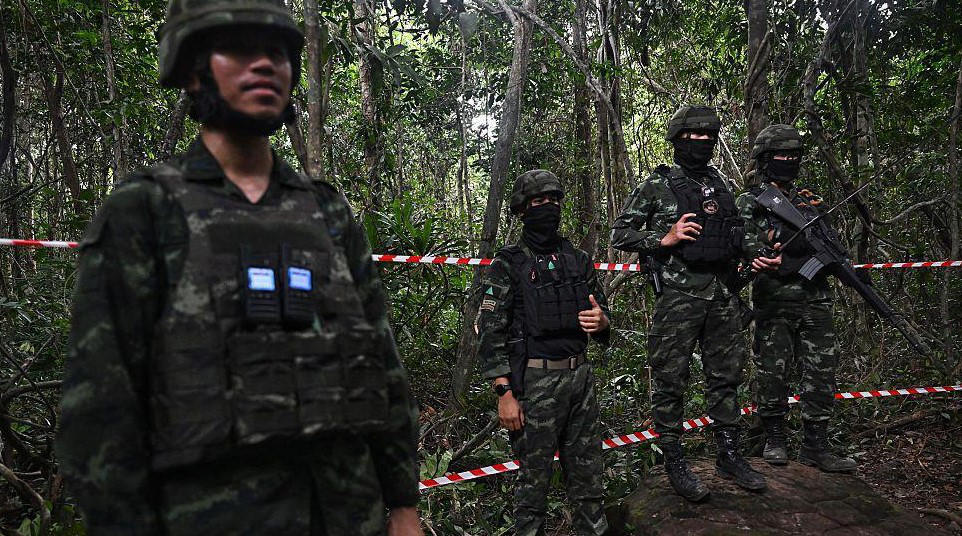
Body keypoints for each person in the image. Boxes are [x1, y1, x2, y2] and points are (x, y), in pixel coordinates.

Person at [55, 1, 423, 534]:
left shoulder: (328, 212)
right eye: (240, 49)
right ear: (194, 69)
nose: (266, 64)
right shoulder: (146, 210)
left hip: (346, 514)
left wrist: (404, 504)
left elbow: (382, 364)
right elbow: (100, 405)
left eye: (277, 52)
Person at [610, 106, 776, 502]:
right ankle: (674, 461)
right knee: (670, 380)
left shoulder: (721, 184)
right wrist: (663, 238)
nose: (702, 142)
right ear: (677, 139)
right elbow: (620, 233)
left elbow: (736, 233)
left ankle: (729, 455)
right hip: (678, 299)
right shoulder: (656, 185)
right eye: (693, 136)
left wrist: (756, 253)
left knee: (726, 377)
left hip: (722, 296)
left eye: (708, 136)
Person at [476, 169, 610, 536]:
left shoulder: (578, 259)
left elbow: (602, 312)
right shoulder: (508, 264)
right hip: (535, 383)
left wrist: (602, 322)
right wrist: (504, 394)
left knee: (589, 479)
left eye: (553, 200)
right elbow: (490, 330)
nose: (548, 206)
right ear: (522, 209)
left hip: (580, 379)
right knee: (533, 486)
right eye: (538, 201)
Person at [736, 123, 857, 473]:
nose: (787, 161)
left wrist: (846, 267)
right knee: (773, 369)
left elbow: (831, 242)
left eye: (793, 155)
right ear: (764, 159)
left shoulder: (809, 200)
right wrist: (769, 249)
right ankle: (774, 438)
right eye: (780, 155)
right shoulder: (751, 201)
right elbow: (742, 241)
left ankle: (816, 444)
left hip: (816, 298)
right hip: (775, 298)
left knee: (822, 369)